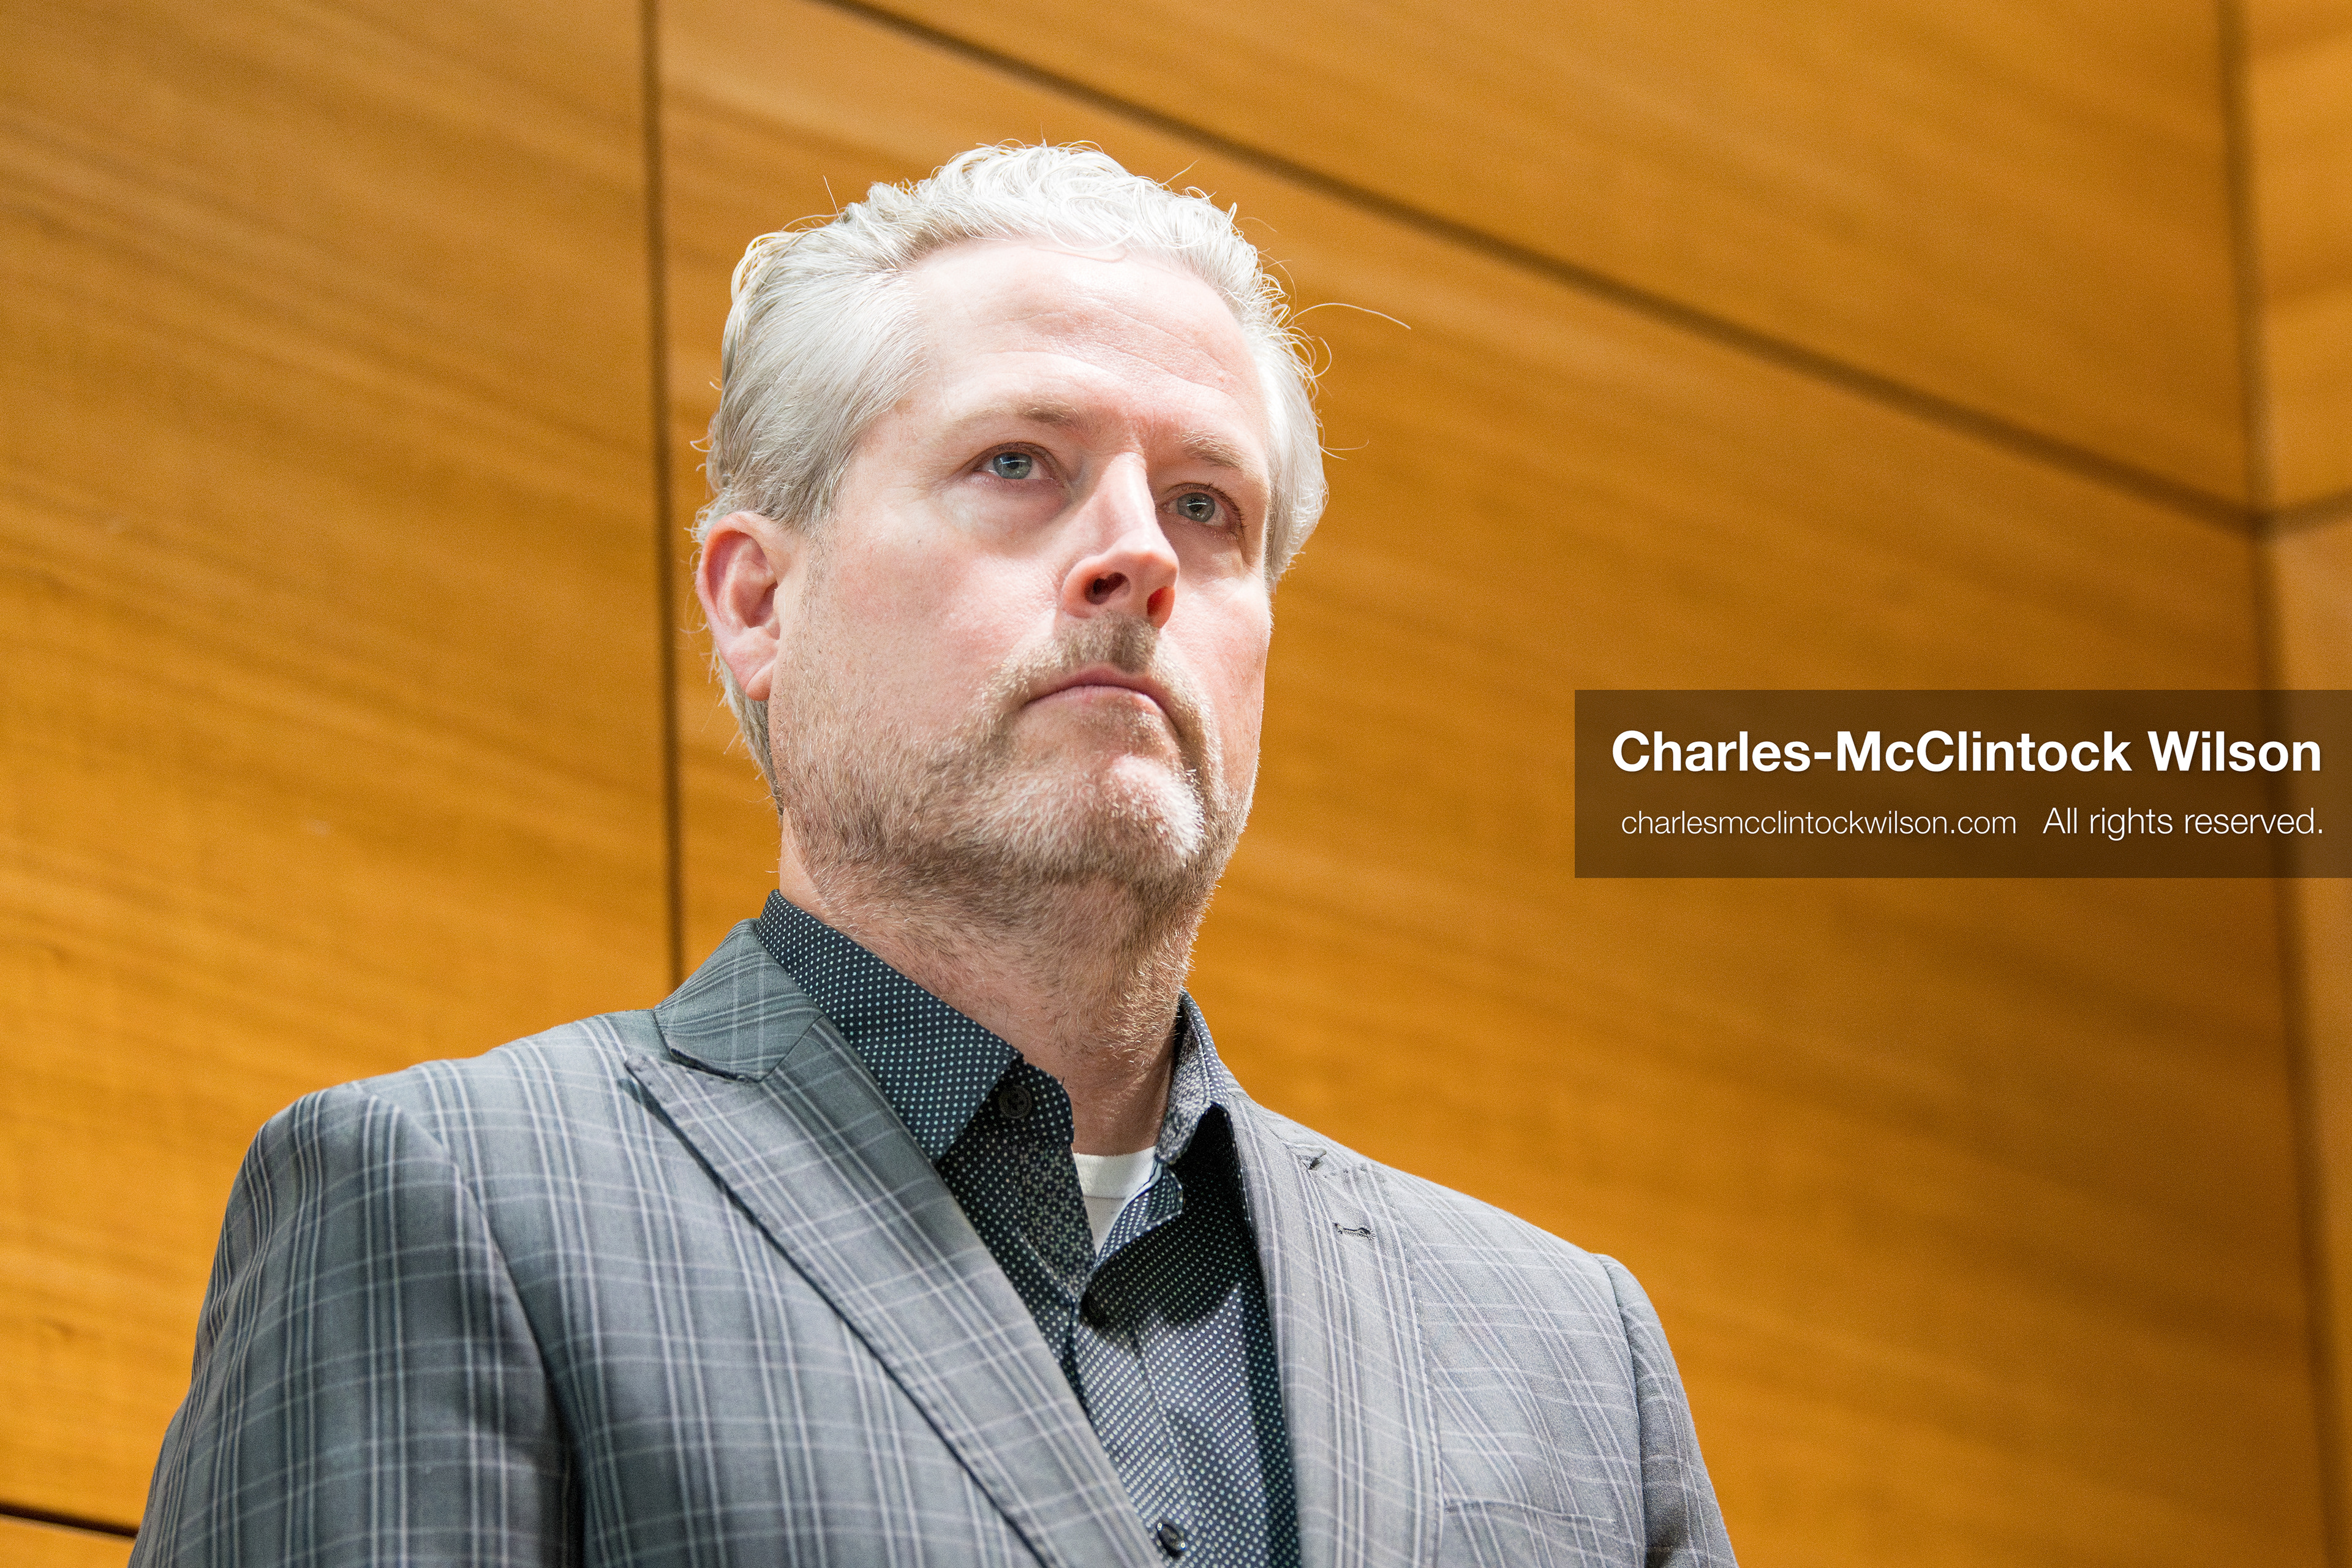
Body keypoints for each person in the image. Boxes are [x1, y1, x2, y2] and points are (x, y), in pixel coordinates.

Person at [132, 145, 1735, 1567]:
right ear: (759, 603)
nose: (1139, 556)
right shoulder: (452, 1201)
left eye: (1207, 506)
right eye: (1018, 463)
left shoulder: (1571, 1360)